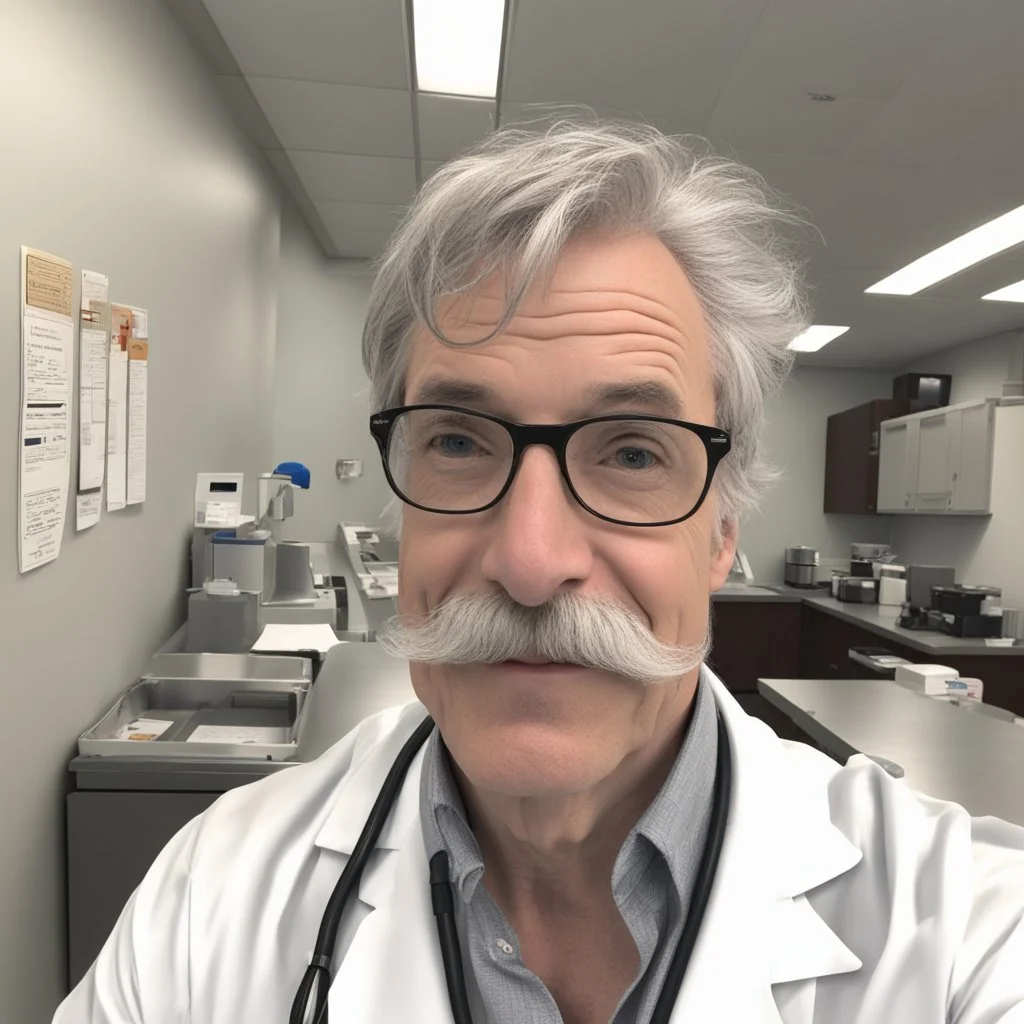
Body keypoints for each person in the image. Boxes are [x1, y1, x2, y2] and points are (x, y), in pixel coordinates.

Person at [54, 122, 1024, 1024]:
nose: (528, 561)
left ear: (722, 528)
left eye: (633, 453)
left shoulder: (958, 928)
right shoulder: (212, 899)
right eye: (460, 442)